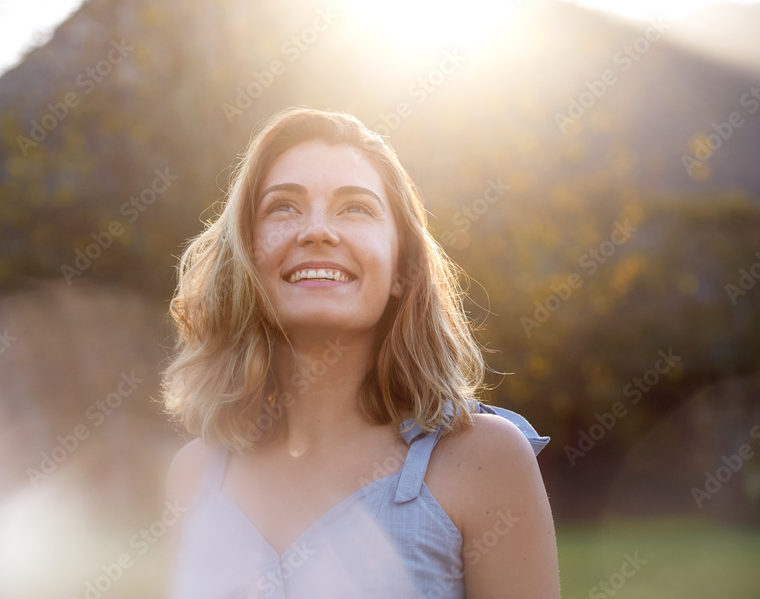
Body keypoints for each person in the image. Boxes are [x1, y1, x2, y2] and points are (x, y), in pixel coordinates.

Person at [163, 107, 560, 598]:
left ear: (402, 269)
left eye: (355, 208)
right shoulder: (195, 475)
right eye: (283, 207)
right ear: (246, 256)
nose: (317, 231)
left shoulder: (483, 459)